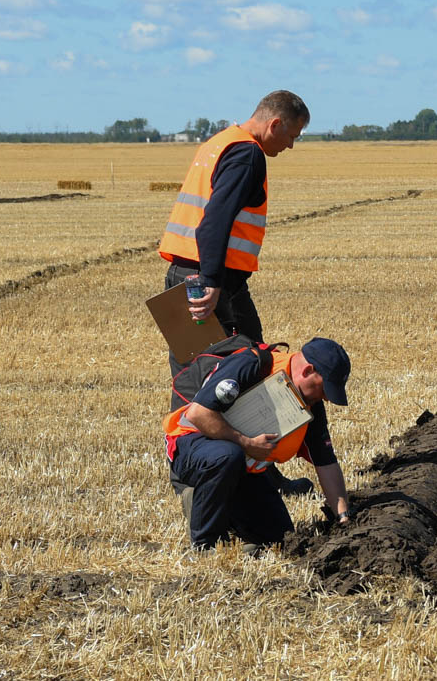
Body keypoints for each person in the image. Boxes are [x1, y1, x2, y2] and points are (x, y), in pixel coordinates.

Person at [164, 337, 354, 549]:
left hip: (240, 467)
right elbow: (199, 414)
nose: (326, 398)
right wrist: (246, 443)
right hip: (192, 444)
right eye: (324, 389)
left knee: (280, 539)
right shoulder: (251, 364)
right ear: (308, 371)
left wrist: (343, 518)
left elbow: (325, 462)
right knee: (227, 455)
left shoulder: (310, 403)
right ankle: (206, 543)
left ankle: (222, 513)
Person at [158, 90, 309, 345]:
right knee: (240, 364)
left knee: (194, 362)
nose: (290, 146)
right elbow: (214, 222)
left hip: (184, 274)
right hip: (211, 281)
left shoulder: (219, 142)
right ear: (274, 125)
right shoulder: (246, 155)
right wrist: (212, 283)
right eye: (292, 136)